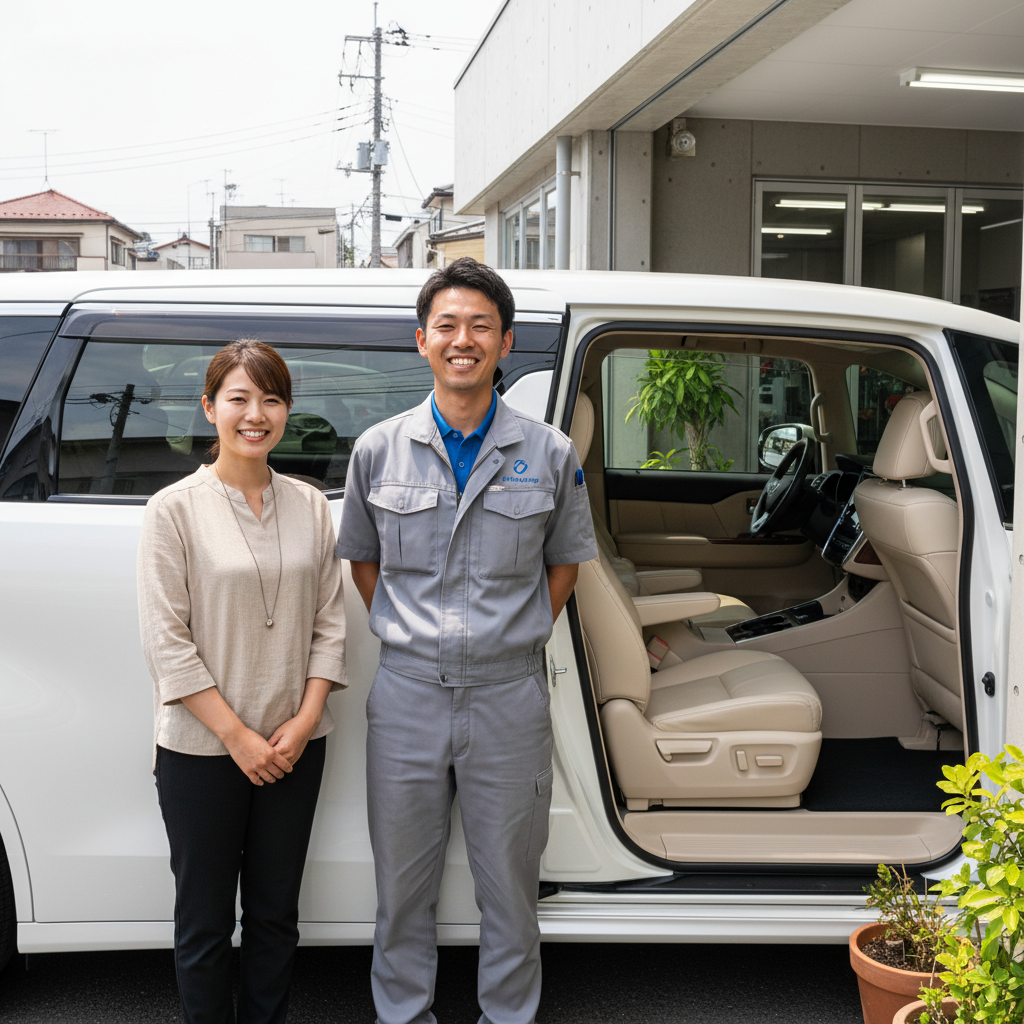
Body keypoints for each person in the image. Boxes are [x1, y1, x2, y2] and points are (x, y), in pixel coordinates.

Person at [337, 257, 598, 1024]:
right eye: (447, 325)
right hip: (407, 692)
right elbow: (362, 561)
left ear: (504, 341)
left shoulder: (547, 452)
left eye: (480, 325)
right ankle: (404, 1015)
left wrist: (506, 638)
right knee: (402, 889)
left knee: (510, 888)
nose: (463, 339)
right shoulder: (378, 449)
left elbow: (564, 565)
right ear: (422, 340)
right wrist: (418, 633)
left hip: (509, 696)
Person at [137, 339, 347, 1024]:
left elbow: (330, 624)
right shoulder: (173, 509)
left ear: (287, 411)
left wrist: (306, 719)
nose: (256, 414)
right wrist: (238, 737)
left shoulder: (312, 505)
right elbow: (166, 640)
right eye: (239, 398)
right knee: (202, 925)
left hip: (293, 744)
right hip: (202, 749)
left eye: (272, 398)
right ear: (209, 407)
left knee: (274, 918)